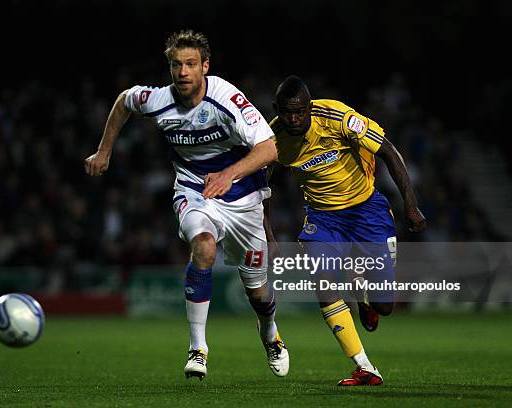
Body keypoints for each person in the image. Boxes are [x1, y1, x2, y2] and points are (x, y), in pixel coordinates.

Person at [85, 30, 289, 380]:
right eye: (176, 65)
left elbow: (270, 148)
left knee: (258, 292)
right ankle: (198, 350)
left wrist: (229, 173)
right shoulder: (158, 99)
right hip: (195, 191)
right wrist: (105, 150)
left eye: (191, 64)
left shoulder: (227, 98)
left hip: (242, 198)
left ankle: (270, 333)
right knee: (204, 247)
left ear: (205, 67)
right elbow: (124, 101)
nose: (183, 72)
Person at [266, 75, 426, 386]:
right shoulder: (271, 138)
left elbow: (388, 151)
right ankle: (364, 366)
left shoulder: (338, 118)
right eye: (287, 112)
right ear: (277, 109)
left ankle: (364, 293)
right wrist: (269, 236)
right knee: (322, 280)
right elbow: (261, 186)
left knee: (385, 306)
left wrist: (411, 204)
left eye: (300, 112)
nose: (294, 118)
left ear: (310, 108)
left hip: (367, 211)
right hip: (323, 219)